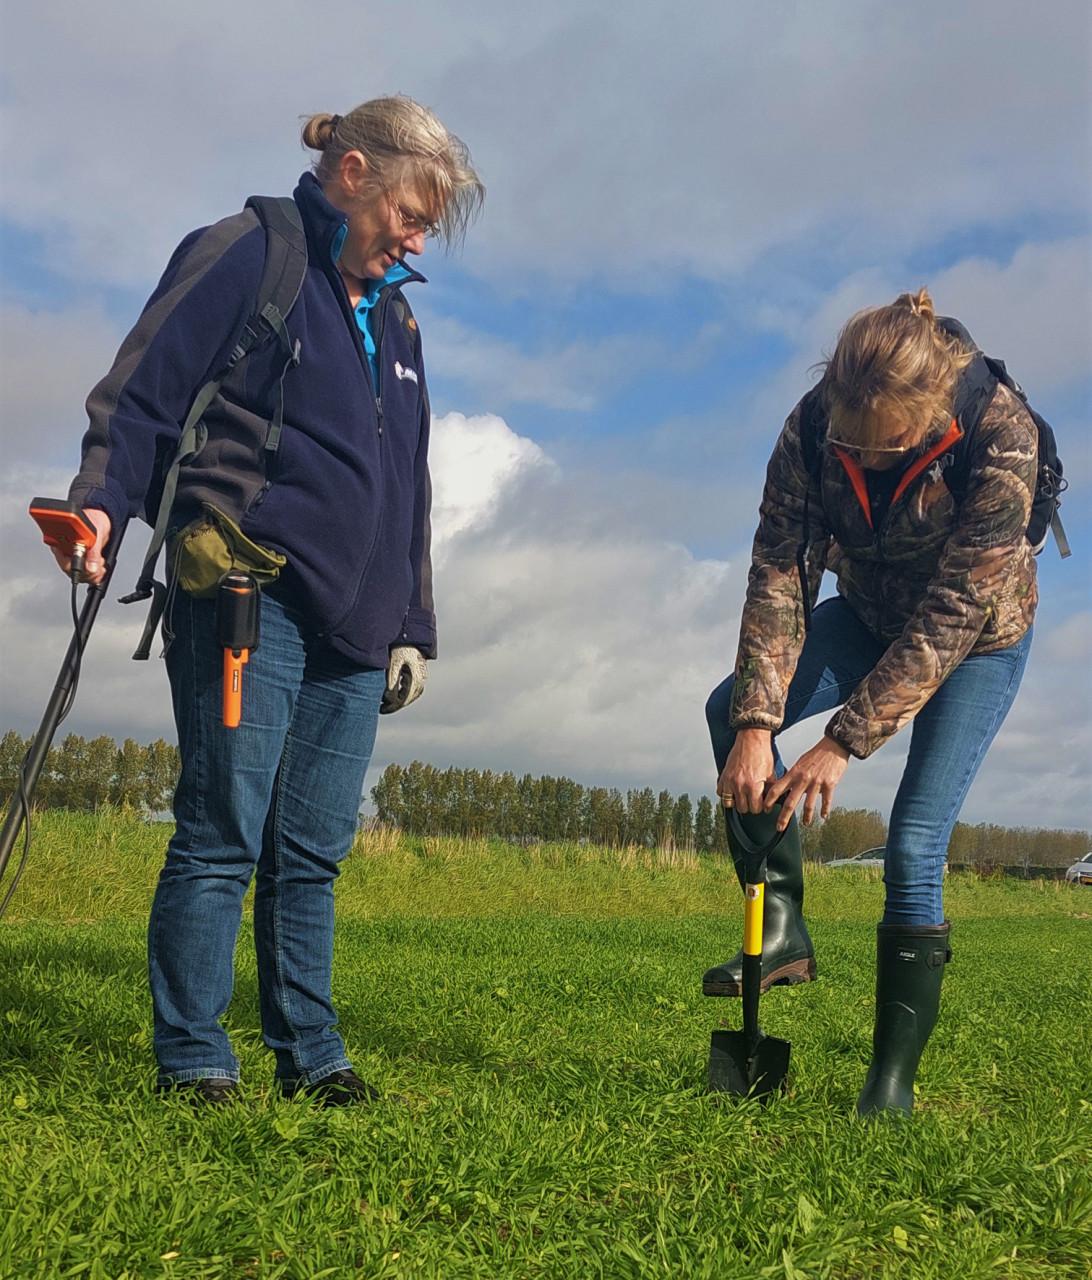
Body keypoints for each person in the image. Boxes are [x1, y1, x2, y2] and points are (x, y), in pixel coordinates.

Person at [55, 97, 484, 1105]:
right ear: (353, 174)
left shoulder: (402, 317)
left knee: (313, 851)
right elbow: (143, 395)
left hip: (360, 623)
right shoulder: (252, 252)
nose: (420, 240)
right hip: (249, 588)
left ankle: (314, 1057)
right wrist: (99, 504)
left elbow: (410, 483)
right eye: (413, 214)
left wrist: (413, 624)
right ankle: (197, 1057)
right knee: (222, 830)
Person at [704, 289, 1037, 1115]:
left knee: (915, 844)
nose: (866, 455)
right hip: (865, 614)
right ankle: (780, 925)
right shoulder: (816, 425)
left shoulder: (1001, 436)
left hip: (978, 639)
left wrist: (842, 741)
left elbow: (955, 612)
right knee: (729, 706)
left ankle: (889, 1085)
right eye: (854, 439)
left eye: (883, 446)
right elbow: (781, 567)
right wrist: (758, 724)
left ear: (929, 413)